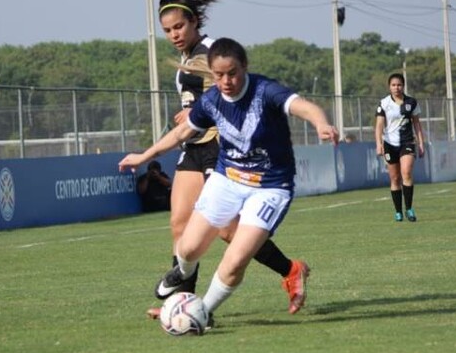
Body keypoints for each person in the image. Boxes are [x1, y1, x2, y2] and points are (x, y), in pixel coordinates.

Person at [119, 37, 339, 321]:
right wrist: (143, 156)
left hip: (269, 188)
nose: (226, 81)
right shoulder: (210, 101)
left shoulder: (265, 91)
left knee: (234, 261)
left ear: (244, 67)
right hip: (228, 180)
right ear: (211, 74)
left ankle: (201, 313)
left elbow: (304, 107)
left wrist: (321, 124)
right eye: (219, 75)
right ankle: (182, 272)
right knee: (187, 248)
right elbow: (180, 134)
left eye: (232, 73)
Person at [136, 0, 310, 318]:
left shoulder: (212, 49)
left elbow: (234, 86)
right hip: (193, 145)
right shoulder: (185, 58)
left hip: (220, 145)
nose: (173, 34)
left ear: (195, 21)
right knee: (179, 225)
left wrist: (201, 107)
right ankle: (183, 306)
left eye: (179, 27)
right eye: (167, 30)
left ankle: (290, 270)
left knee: (229, 231)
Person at [375, 73, 425, 222]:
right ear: (389, 87)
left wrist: (421, 143)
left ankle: (409, 208)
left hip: (407, 142)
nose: (396, 88)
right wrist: (378, 143)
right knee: (395, 178)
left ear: (403, 86)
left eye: (399, 85)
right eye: (393, 85)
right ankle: (398, 211)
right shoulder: (384, 103)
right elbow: (379, 126)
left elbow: (417, 124)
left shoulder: (411, 102)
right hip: (390, 144)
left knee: (406, 173)